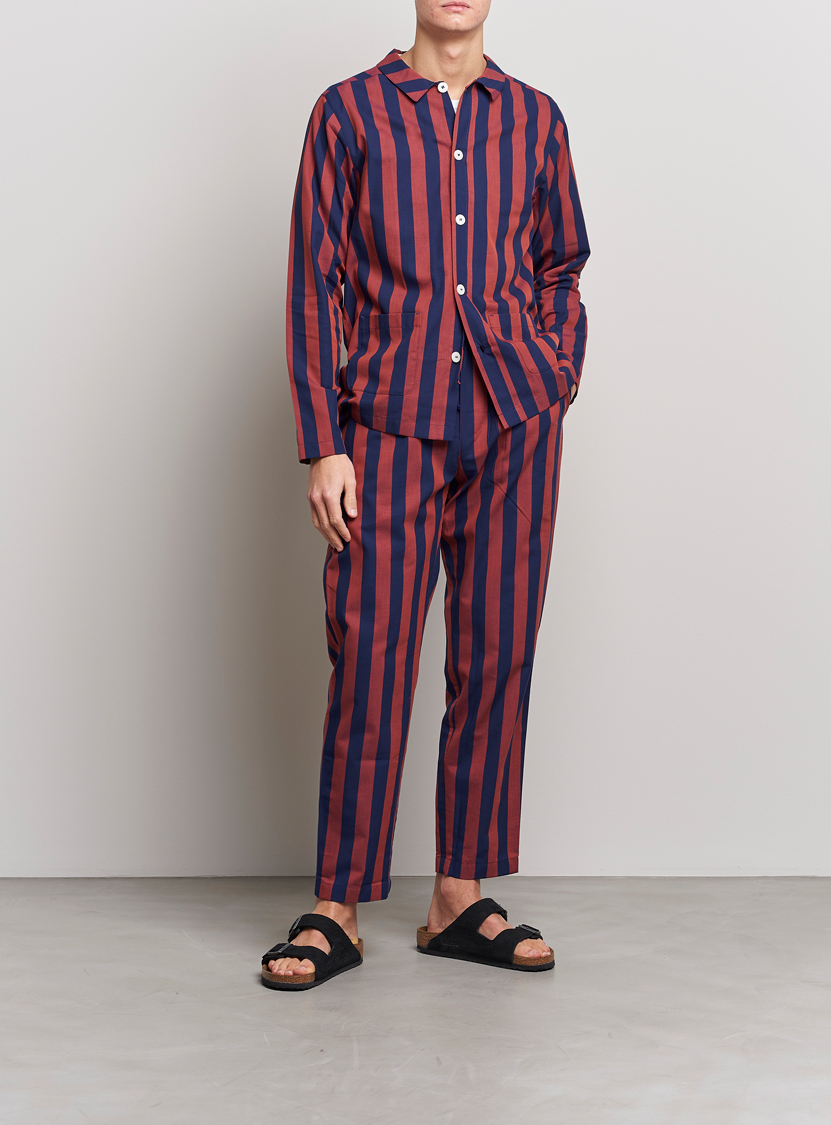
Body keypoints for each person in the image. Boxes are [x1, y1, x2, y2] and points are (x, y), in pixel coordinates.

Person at [261, 0, 590, 990]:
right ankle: (336, 908)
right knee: (372, 656)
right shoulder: (348, 113)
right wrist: (324, 443)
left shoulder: (535, 119)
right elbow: (313, 283)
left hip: (512, 422)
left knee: (497, 656)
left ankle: (459, 897)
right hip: (386, 425)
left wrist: (554, 378)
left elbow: (562, 265)